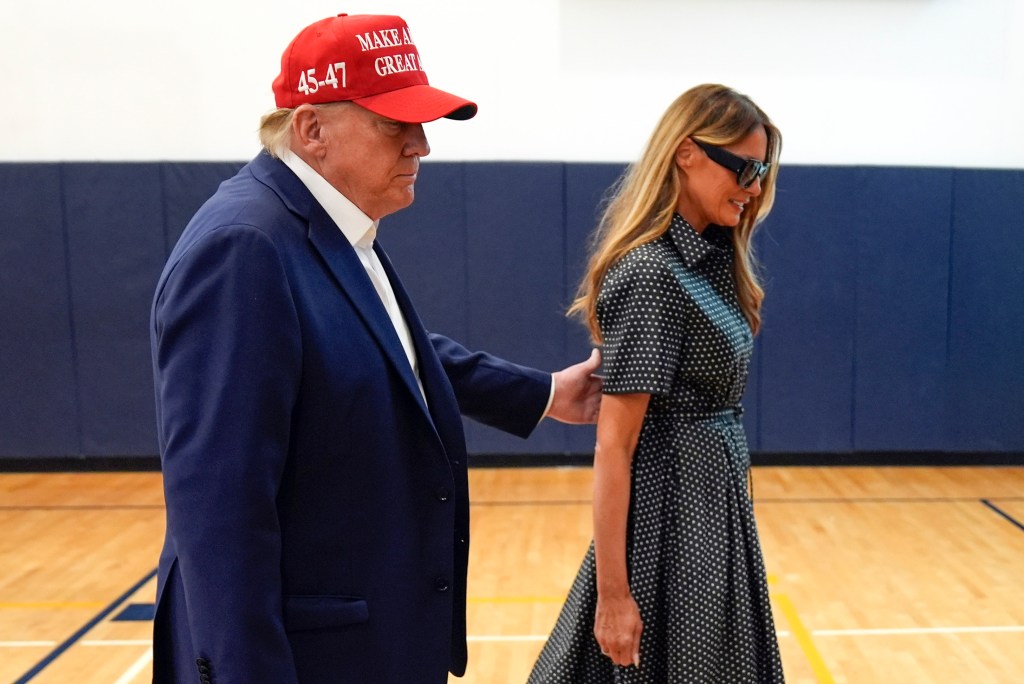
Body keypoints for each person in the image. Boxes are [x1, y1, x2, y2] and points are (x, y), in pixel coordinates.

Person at [149, 12, 601, 684]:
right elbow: (221, 514)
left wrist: (541, 394)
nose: (421, 145)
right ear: (311, 130)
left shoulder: (323, 227)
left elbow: (384, 349)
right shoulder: (243, 248)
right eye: (396, 125)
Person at [528, 84, 785, 682]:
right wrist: (614, 597)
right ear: (687, 152)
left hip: (712, 510)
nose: (754, 187)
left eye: (763, 171)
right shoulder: (651, 274)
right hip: (670, 523)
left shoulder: (716, 259)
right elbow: (614, 447)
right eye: (745, 168)